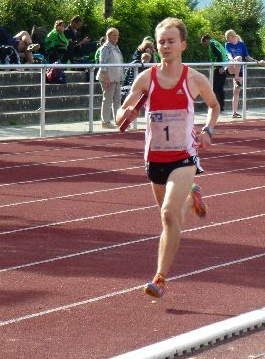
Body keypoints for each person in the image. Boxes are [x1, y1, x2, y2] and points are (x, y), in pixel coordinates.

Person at [116, 17, 220, 299]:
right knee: (171, 218)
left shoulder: (194, 79)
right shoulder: (146, 78)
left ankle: (160, 278)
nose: (165, 46)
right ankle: (192, 198)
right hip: (155, 159)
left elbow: (214, 105)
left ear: (183, 45)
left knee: (167, 215)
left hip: (184, 157)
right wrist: (125, 114)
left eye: (171, 41)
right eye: (161, 41)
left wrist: (208, 130)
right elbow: (120, 114)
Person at [225, 29, 257, 118]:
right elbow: (229, 55)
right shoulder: (227, 44)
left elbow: (247, 57)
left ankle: (234, 112)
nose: (227, 39)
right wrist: (233, 60)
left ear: (232, 36)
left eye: (227, 37)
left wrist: (256, 61)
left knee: (237, 91)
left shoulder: (241, 45)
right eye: (226, 38)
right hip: (231, 66)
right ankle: (236, 78)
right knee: (239, 58)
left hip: (239, 69)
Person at [97, 28, 124, 128]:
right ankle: (105, 122)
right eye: (114, 35)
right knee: (107, 100)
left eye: (117, 35)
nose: (116, 37)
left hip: (116, 77)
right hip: (108, 77)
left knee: (117, 100)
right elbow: (103, 63)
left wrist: (120, 77)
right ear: (108, 36)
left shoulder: (116, 47)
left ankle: (118, 121)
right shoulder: (106, 48)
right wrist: (106, 77)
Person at [200, 34, 229, 113]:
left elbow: (219, 54)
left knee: (215, 88)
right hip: (223, 67)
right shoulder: (215, 43)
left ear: (206, 40)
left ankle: (217, 107)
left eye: (204, 43)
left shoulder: (212, 44)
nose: (204, 45)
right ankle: (221, 107)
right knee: (219, 88)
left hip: (219, 68)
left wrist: (220, 67)